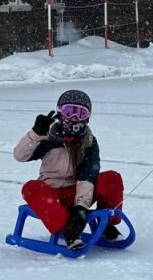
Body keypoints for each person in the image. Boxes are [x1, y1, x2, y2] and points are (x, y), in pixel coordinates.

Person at [14, 89, 125, 250]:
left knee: (111, 178)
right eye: (69, 112)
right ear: (60, 113)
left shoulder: (89, 142)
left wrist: (80, 208)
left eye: (79, 113)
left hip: (76, 192)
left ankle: (105, 224)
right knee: (30, 188)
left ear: (87, 117)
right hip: (51, 194)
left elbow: (87, 176)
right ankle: (67, 229)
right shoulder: (48, 137)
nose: (73, 118)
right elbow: (20, 156)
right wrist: (35, 134)